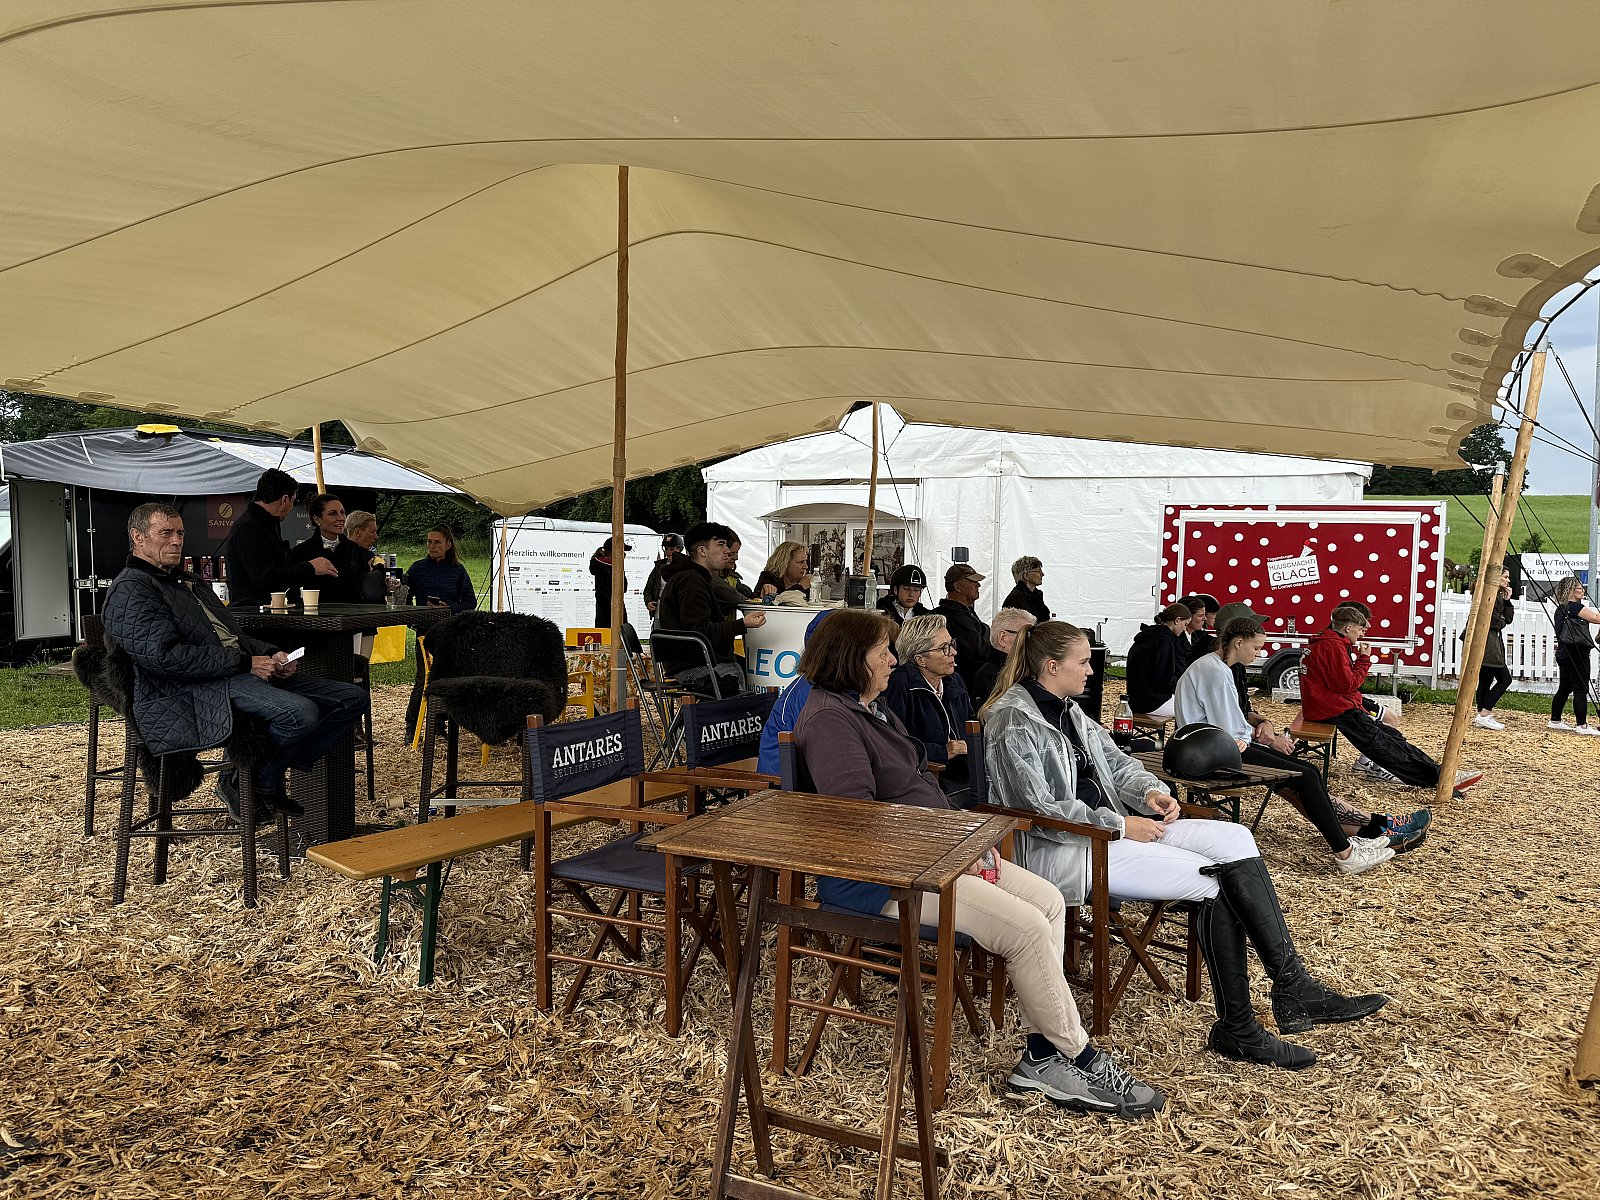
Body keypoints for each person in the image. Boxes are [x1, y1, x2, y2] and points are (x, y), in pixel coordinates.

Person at [792, 608, 1165, 1116]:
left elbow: (916, 789)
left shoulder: (867, 708)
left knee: (1049, 901)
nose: (894, 661)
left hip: (934, 854)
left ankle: (1041, 1056)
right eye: (884, 652)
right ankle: (1078, 1056)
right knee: (1027, 928)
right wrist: (951, 848)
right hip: (886, 879)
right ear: (852, 658)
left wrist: (966, 840)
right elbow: (858, 822)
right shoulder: (832, 721)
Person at [982, 620, 1389, 1071]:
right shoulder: (1013, 719)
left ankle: (1293, 985)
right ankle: (1239, 1026)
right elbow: (1035, 807)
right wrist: (1120, 824)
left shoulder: (1069, 710)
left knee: (1236, 837)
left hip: (1112, 830)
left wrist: (1151, 792)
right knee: (1213, 880)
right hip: (1066, 848)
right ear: (1052, 666)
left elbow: (1117, 763)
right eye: (1083, 662)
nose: (1091, 671)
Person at [104, 503, 368, 821]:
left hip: (228, 673)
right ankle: (253, 782)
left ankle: (261, 778)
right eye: (166, 533)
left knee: (352, 699)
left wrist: (271, 653)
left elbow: (232, 635)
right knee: (299, 713)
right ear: (138, 537)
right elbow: (166, 657)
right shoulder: (132, 588)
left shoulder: (186, 580)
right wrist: (245, 663)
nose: (176, 541)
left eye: (180, 533)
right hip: (189, 689)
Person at [1175, 612, 1425, 874]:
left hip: (1210, 748)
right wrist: (1263, 738)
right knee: (1305, 776)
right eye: (1256, 647)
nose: (1259, 654)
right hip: (1212, 754)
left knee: (1307, 774)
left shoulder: (1214, 667)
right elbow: (1230, 728)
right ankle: (1347, 851)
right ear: (1238, 642)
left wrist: (1261, 733)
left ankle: (1363, 832)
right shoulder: (1216, 672)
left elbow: (1231, 723)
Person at [1302, 605, 1483, 793]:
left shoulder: (1329, 642)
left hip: (1332, 706)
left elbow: (1340, 683)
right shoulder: (1332, 646)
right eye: (1361, 629)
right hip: (1334, 709)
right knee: (1384, 746)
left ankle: (1442, 774)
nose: (1362, 634)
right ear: (1348, 628)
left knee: (1391, 738)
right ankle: (1438, 778)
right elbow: (1346, 684)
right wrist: (1364, 660)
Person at [653, 521, 767, 695]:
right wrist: (742, 624)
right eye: (720, 544)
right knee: (748, 676)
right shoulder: (691, 581)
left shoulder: (691, 577)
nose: (727, 551)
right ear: (702, 551)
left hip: (691, 661)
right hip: (695, 665)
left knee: (746, 668)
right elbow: (700, 631)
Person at [882, 614, 973, 802]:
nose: (953, 652)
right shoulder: (899, 685)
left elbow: (971, 723)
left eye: (952, 644)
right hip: (927, 780)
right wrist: (943, 751)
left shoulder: (954, 680)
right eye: (944, 648)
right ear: (920, 659)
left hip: (967, 773)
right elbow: (893, 744)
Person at [223, 468, 336, 607]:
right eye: (294, 500)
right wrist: (309, 568)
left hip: (264, 611)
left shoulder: (262, 524)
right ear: (285, 499)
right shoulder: (250, 528)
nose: (292, 507)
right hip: (254, 614)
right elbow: (264, 578)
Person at [288, 493, 381, 603]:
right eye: (333, 514)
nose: (340, 518)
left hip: (352, 612)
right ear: (317, 519)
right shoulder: (301, 553)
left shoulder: (355, 550)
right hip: (315, 612)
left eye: (342, 513)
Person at [1549, 575, 1600, 733]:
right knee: (1580, 688)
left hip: (1564, 652)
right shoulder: (1575, 607)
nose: (1583, 590)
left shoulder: (1561, 608)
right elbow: (1597, 619)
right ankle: (1582, 725)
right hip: (1577, 652)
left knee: (1565, 687)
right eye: (1579, 587)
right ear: (1571, 590)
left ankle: (1555, 720)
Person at [1124, 602, 1191, 720]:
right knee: (1195, 708)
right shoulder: (1164, 640)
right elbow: (1163, 679)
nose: (1184, 629)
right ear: (1177, 620)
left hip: (1136, 698)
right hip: (1152, 701)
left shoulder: (1147, 635)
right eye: (1185, 624)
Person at [935, 564, 991, 695]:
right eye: (972, 581)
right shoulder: (954, 614)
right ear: (957, 587)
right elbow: (979, 651)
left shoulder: (964, 611)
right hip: (962, 686)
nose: (978, 585)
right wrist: (986, 630)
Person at [1472, 567, 1515, 730]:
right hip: (1488, 642)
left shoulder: (1497, 596)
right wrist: (1501, 619)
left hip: (1490, 640)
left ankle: (1482, 714)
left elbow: (1507, 619)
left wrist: (1507, 601)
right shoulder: (1488, 596)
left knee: (1486, 679)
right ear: (1496, 578)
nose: (1508, 580)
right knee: (1505, 679)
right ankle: (1485, 713)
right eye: (1506, 577)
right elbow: (1496, 622)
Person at [973, 607, 1038, 706]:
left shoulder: (1025, 668)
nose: (1032, 642)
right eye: (1026, 635)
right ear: (1003, 638)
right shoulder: (989, 675)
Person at [405, 526, 476, 613]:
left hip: (450, 620)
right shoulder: (417, 568)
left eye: (437, 542)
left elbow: (471, 603)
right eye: (429, 542)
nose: (432, 546)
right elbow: (404, 597)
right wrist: (413, 615)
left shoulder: (458, 570)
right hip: (423, 620)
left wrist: (449, 608)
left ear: (448, 545)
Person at [587, 535, 630, 628]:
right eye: (622, 551)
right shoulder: (605, 569)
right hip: (610, 615)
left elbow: (623, 588)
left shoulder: (609, 567)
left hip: (611, 612)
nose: (624, 555)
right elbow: (621, 588)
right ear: (613, 552)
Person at [643, 534, 684, 618]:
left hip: (678, 613)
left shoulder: (686, 568)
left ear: (679, 549)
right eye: (666, 549)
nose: (668, 552)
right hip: (659, 611)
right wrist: (649, 601)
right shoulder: (659, 567)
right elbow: (648, 589)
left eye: (672, 549)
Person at [1002, 557, 1052, 624]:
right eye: (1038, 571)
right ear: (1025, 575)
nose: (1042, 574)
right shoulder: (1015, 599)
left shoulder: (1035, 596)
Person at [1177, 594, 1220, 662]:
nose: (1204, 618)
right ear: (1188, 616)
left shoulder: (1194, 637)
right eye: (1200, 615)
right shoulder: (1176, 641)